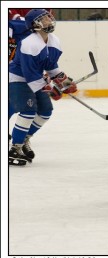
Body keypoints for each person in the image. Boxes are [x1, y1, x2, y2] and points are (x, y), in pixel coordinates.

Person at [9, 9, 78, 166]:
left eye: (48, 16)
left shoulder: (54, 41)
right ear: (35, 24)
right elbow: (29, 74)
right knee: (28, 111)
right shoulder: (28, 43)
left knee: (46, 111)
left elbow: (51, 66)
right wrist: (50, 88)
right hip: (17, 79)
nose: (49, 19)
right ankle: (15, 148)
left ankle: (25, 138)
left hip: (34, 79)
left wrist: (65, 83)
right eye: (44, 18)